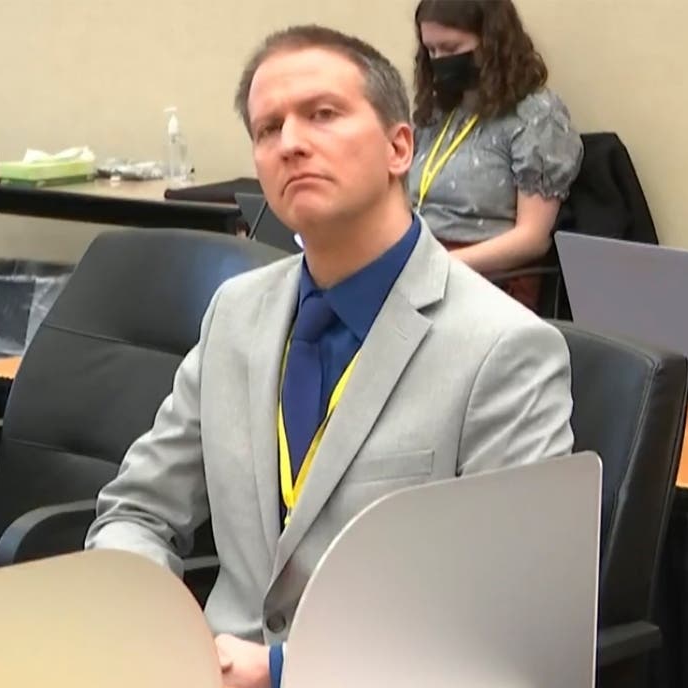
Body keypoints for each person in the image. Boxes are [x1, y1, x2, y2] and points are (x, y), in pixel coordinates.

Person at [87, 25, 574, 688]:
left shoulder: (503, 349)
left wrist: (284, 672)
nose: (290, 143)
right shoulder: (235, 314)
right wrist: (155, 634)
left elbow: (506, 625)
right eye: (267, 129)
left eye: (322, 114)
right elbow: (137, 512)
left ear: (399, 145)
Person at [409, 0, 584, 309]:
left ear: (492, 45)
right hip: (421, 263)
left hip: (488, 279)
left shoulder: (536, 116)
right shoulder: (439, 112)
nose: (440, 62)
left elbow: (532, 239)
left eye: (451, 49)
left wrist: (440, 265)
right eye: (432, 52)